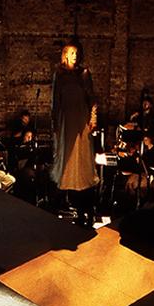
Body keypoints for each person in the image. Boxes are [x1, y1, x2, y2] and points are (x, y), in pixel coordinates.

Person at [50, 37, 99, 227]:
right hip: (66, 123)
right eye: (71, 53)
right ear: (65, 55)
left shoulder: (84, 74)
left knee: (83, 164)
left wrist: (92, 119)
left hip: (81, 122)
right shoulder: (59, 75)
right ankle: (71, 206)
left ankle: (87, 209)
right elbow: (55, 101)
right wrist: (55, 124)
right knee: (67, 164)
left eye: (77, 53)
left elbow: (92, 99)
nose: (75, 56)